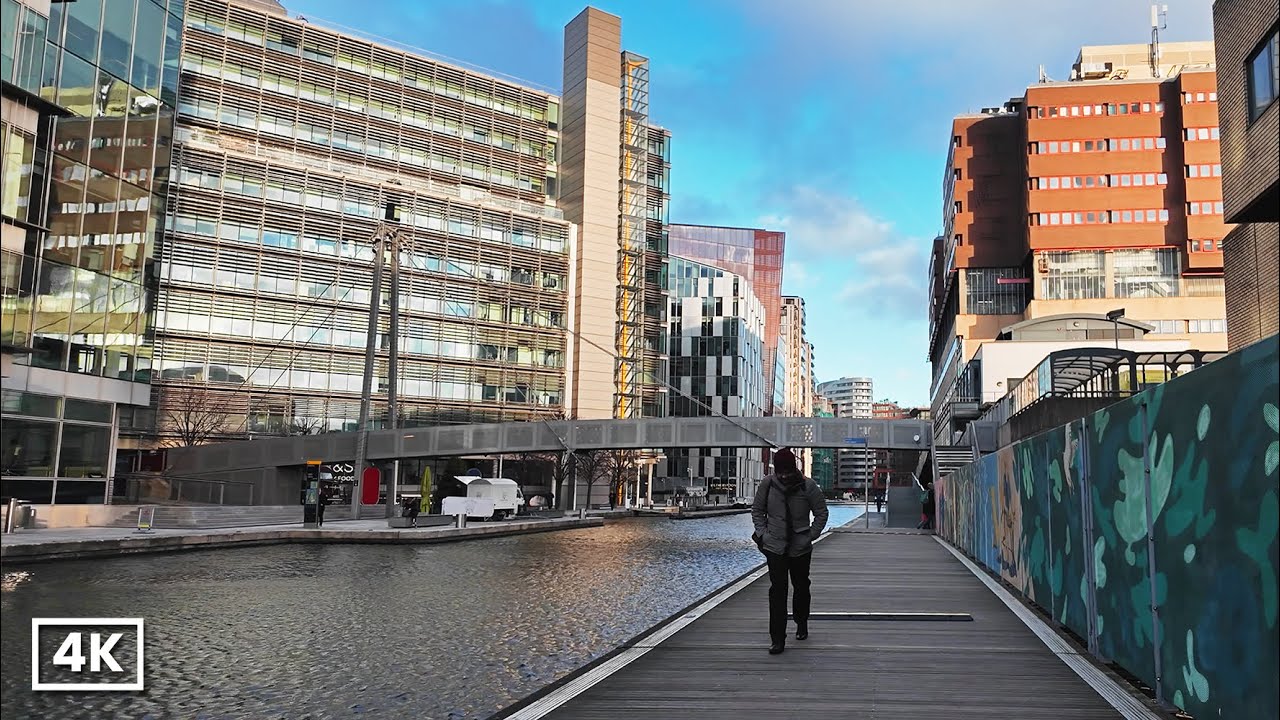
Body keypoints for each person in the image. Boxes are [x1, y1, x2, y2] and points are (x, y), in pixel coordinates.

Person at [751, 448, 829, 655]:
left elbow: (821, 513)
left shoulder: (808, 486)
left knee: (801, 586)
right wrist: (763, 534)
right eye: (780, 471)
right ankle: (777, 638)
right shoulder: (767, 485)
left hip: (800, 547)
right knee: (777, 591)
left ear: (794, 468)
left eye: (787, 471)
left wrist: (811, 535)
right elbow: (757, 511)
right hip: (774, 545)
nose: (784, 475)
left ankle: (801, 621)